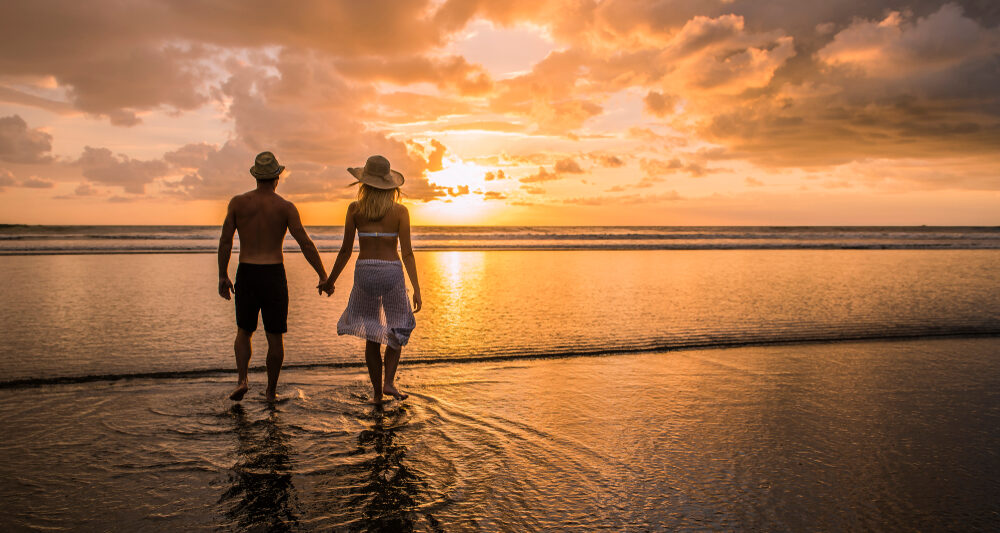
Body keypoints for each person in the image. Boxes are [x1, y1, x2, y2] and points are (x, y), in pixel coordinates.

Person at [218, 151, 328, 402]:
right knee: (274, 337)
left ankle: (242, 380)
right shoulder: (285, 207)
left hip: (247, 271)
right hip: (273, 274)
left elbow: (225, 241)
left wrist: (222, 274)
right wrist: (322, 274)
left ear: (256, 177)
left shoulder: (237, 203)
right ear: (277, 177)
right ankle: (270, 392)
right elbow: (305, 243)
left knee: (244, 331)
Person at [321, 155, 421, 404]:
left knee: (372, 332)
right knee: (398, 328)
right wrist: (417, 288)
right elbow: (407, 252)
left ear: (364, 183)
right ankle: (388, 382)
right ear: (391, 185)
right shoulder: (400, 211)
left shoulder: (355, 209)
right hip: (391, 271)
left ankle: (377, 394)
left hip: (364, 271)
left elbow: (345, 250)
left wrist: (330, 280)